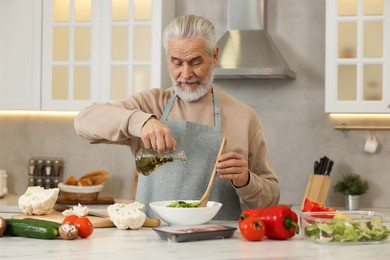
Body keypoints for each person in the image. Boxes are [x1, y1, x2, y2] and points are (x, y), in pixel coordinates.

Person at [74, 14, 280, 220]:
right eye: (177, 62)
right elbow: (83, 121)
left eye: (195, 62)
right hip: (151, 243)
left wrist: (246, 181)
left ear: (214, 56)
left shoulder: (244, 117)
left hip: (218, 244)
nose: (186, 73)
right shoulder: (151, 104)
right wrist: (142, 122)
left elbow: (270, 198)